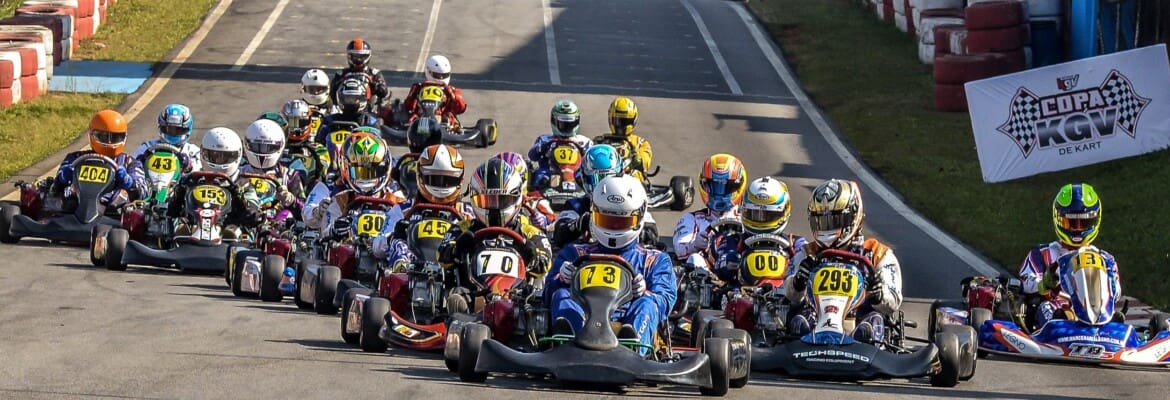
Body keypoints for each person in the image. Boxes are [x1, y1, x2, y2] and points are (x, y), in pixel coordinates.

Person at [545, 175, 676, 351]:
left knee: (647, 304)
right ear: (594, 214)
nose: (614, 228)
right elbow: (546, 295)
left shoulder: (654, 260)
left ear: (639, 218)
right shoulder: (574, 252)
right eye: (607, 220)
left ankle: (633, 347)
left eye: (621, 222)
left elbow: (665, 300)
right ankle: (567, 343)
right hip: (585, 318)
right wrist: (561, 278)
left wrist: (644, 292)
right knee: (562, 294)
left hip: (625, 320)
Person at [784, 179, 902, 344]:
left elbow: (893, 302)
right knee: (798, 317)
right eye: (821, 221)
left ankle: (865, 342)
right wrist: (798, 283)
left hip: (859, 322)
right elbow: (790, 295)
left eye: (834, 221)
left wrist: (879, 294)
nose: (827, 227)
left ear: (853, 217)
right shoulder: (807, 253)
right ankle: (802, 341)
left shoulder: (878, 254)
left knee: (874, 320)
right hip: (816, 320)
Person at [439, 158, 554, 308]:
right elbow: (442, 255)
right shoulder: (464, 228)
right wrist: (456, 249)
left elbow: (545, 262)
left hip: (517, 299)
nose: (494, 206)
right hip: (472, 296)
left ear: (516, 197)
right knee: (456, 294)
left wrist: (532, 255)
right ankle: (457, 321)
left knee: (537, 294)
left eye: (502, 200)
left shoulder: (529, 231)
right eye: (487, 200)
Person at [1018, 183, 1119, 328]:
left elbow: (1116, 293)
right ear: (1058, 219)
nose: (1077, 229)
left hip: (1097, 313)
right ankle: (1059, 325)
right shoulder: (1043, 253)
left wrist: (1111, 285)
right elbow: (1025, 282)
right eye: (1071, 223)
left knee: (1114, 316)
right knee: (1047, 308)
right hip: (1058, 309)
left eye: (1084, 223)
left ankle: (1110, 329)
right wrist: (1045, 283)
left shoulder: (1105, 258)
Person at [378, 144, 474, 270]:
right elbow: (377, 246)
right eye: (434, 179)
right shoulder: (403, 210)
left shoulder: (467, 214)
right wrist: (393, 237)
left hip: (452, 277)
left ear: (460, 180)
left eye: (447, 180)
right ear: (420, 176)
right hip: (410, 275)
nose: (440, 186)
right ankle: (400, 268)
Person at [551, 144, 657, 247]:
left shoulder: (632, 203)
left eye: (609, 178)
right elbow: (559, 235)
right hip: (587, 258)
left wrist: (630, 227)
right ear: (584, 178)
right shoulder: (576, 205)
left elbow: (651, 235)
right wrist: (580, 224)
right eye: (598, 179)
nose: (604, 185)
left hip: (626, 257)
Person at [302, 131, 402, 238]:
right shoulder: (337, 197)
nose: (366, 178)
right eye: (360, 172)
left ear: (384, 168)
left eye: (372, 171)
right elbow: (323, 229)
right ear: (346, 165)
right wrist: (319, 213)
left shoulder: (395, 199)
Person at [166, 128, 264, 237]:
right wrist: (178, 193)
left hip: (229, 235)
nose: (219, 161)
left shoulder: (242, 184)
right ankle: (181, 234)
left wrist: (241, 200)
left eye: (225, 157)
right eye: (213, 156)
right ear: (203, 153)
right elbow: (172, 210)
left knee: (242, 228)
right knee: (173, 221)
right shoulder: (192, 180)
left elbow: (253, 210)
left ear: (237, 156)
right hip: (193, 230)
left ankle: (226, 234)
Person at [708, 176, 805, 285]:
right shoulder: (733, 241)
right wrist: (727, 262)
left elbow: (811, 259)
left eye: (769, 215)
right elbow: (717, 261)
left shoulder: (795, 243)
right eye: (754, 214)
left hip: (784, 297)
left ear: (784, 212)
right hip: (742, 296)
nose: (761, 220)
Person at [52, 110, 147, 209]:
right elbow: (54, 190)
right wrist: (62, 178)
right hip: (75, 211)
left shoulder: (130, 162)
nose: (109, 142)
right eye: (103, 136)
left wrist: (129, 182)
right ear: (92, 134)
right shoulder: (75, 158)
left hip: (114, 215)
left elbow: (142, 194)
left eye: (115, 137)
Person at [674, 154, 748, 270]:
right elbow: (679, 251)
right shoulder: (692, 219)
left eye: (726, 187)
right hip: (707, 277)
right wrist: (695, 245)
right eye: (714, 186)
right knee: (695, 259)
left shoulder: (748, 219)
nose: (719, 193)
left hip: (741, 272)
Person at [527, 100, 592, 189]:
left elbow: (594, 162)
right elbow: (532, 156)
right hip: (549, 173)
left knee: (589, 178)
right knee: (539, 176)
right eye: (562, 124)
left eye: (569, 124)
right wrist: (541, 147)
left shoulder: (584, 142)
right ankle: (536, 197)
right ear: (553, 121)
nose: (566, 127)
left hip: (576, 174)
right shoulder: (545, 139)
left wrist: (584, 152)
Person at [239, 119, 300, 210]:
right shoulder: (239, 172)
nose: (262, 152)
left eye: (268, 147)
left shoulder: (289, 175)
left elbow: (305, 212)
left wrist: (291, 200)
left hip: (279, 221)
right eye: (257, 146)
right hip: (244, 220)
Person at [593, 97, 653, 183]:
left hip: (631, 183)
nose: (620, 126)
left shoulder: (641, 143)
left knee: (636, 173)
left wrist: (637, 160)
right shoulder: (600, 141)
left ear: (633, 121)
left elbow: (645, 163)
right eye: (617, 121)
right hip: (605, 182)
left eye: (625, 122)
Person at [490, 151, 555, 231]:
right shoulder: (487, 201)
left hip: (524, 241)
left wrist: (544, 220)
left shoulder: (535, 202)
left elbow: (553, 222)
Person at [398, 55, 467, 126]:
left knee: (449, 117)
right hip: (420, 118)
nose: (441, 78)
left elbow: (460, 109)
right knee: (409, 116)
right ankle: (413, 126)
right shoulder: (418, 87)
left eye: (444, 75)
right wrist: (412, 97)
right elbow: (408, 107)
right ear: (429, 72)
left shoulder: (451, 90)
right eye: (437, 75)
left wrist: (453, 96)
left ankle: (448, 127)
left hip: (443, 121)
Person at [131, 104, 202, 173]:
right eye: (169, 129)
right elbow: (132, 166)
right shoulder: (148, 147)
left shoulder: (193, 152)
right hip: (150, 184)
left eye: (178, 129)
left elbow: (200, 174)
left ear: (187, 129)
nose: (173, 132)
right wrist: (141, 161)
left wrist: (189, 167)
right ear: (161, 127)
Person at [315, 77, 381, 147]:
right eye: (348, 98)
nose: (350, 102)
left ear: (362, 98)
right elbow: (318, 144)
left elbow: (378, 146)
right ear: (341, 98)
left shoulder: (369, 122)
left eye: (354, 99)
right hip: (332, 156)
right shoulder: (329, 121)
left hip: (359, 155)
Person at [280, 99, 330, 185]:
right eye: (292, 122)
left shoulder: (318, 148)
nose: (297, 126)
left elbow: (324, 172)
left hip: (307, 189)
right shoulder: (277, 146)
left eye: (301, 122)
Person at [330, 38, 389, 109]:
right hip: (343, 108)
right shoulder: (341, 74)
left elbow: (384, 92)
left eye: (361, 57)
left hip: (368, 109)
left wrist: (376, 87)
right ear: (350, 56)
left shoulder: (374, 74)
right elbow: (331, 93)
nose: (358, 59)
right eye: (355, 56)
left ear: (367, 56)